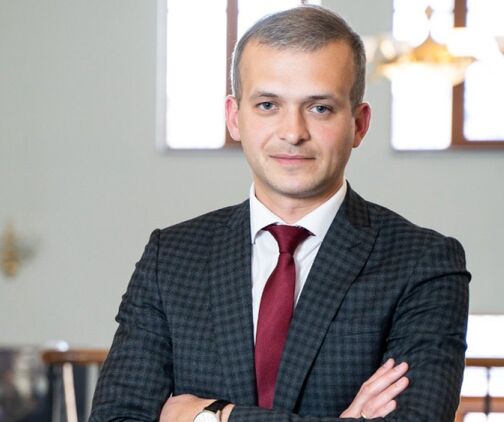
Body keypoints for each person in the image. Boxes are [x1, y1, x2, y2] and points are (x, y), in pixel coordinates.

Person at [90, 5, 470, 422]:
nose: (293, 132)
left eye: (320, 108)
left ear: (359, 124)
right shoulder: (171, 258)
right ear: (234, 118)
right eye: (268, 104)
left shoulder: (423, 264)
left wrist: (213, 416)